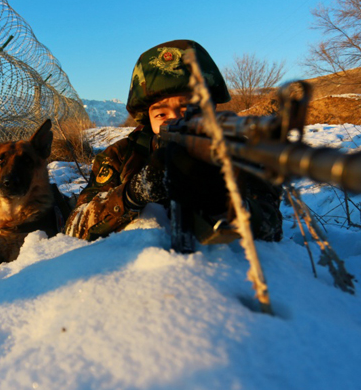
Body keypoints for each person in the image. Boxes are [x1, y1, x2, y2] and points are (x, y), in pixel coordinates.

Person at [64, 39, 282, 245]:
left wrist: (229, 203)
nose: (176, 120)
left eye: (189, 109)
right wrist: (134, 193)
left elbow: (272, 229)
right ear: (147, 118)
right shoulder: (121, 155)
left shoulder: (237, 150)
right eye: (161, 115)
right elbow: (74, 229)